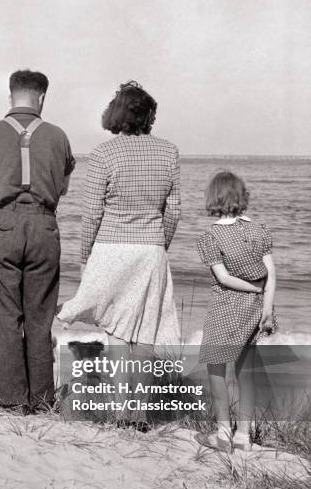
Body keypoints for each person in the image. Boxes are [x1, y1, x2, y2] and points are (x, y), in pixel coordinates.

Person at [57, 81, 181, 427]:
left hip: (110, 248)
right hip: (150, 249)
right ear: (148, 116)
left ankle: (121, 411)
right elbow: (173, 211)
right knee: (143, 333)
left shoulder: (102, 154)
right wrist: (160, 244)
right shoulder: (169, 152)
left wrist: (85, 257)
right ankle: (139, 413)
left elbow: (92, 213)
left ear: (116, 115)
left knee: (116, 331)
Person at [0, 69, 75, 413]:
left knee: (4, 315)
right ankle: (42, 398)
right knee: (40, 316)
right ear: (42, 98)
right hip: (44, 225)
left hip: (2, 224)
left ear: (10, 95)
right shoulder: (58, 135)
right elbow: (63, 182)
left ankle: (11, 399)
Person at [196, 171, 277, 451]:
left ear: (213, 197)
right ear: (242, 196)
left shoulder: (211, 236)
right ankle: (243, 436)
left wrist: (255, 289)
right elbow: (271, 273)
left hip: (226, 305)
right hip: (256, 309)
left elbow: (224, 279)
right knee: (246, 370)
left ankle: (223, 433)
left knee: (216, 367)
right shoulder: (260, 229)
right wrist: (266, 304)